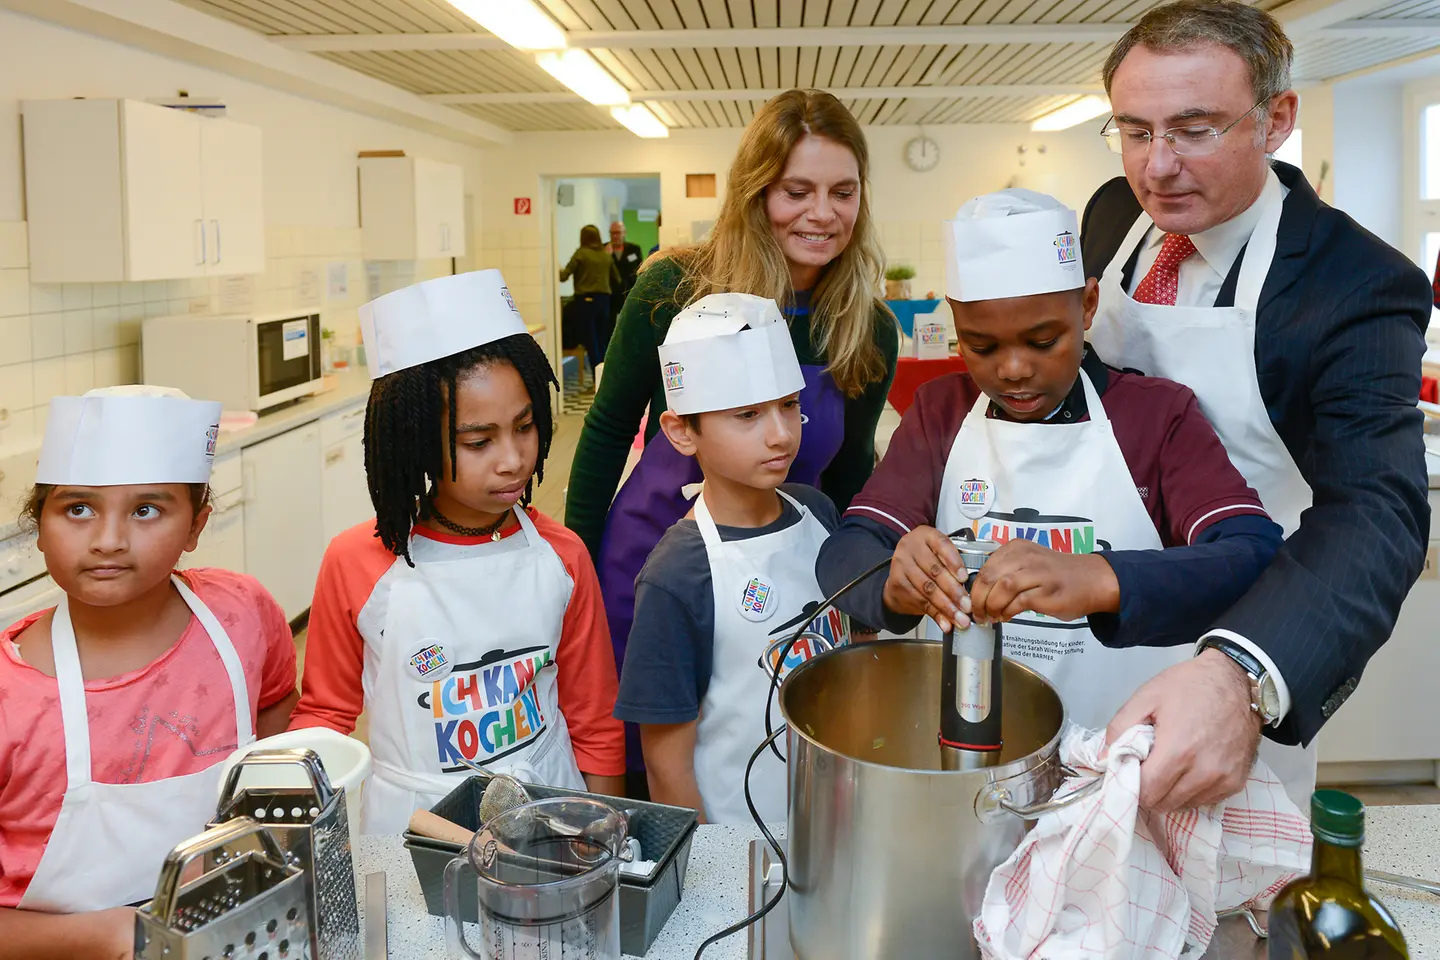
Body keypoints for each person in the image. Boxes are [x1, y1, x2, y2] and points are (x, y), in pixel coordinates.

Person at [1080, 0, 1431, 811]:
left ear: (1276, 120)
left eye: (1194, 129)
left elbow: (1377, 511)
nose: (1156, 167)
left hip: (1237, 647)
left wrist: (1239, 672)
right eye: (1135, 130)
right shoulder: (1112, 218)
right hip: (1087, 614)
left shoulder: (1353, 283)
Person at [817, 189, 1283, 744]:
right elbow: (848, 549)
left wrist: (1101, 578)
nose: (1013, 369)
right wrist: (894, 582)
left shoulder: (1156, 417)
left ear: (1087, 306)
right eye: (981, 346)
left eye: (1043, 341)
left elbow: (1251, 553)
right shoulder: (941, 413)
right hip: (969, 747)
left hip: (1122, 757)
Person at [564, 89, 899, 799]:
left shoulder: (863, 326)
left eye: (843, 191)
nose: (822, 213)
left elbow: (851, 473)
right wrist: (577, 580)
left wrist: (852, 588)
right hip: (652, 559)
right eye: (796, 191)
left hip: (784, 569)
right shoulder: (672, 287)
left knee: (763, 747)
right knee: (654, 763)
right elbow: (602, 431)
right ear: (756, 193)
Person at [290, 269, 624, 834]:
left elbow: (595, 721)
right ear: (416, 441)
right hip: (411, 830)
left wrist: (604, 833)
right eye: (478, 441)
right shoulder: (356, 562)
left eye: (525, 428)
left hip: (553, 817)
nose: (513, 459)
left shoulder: (561, 555)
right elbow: (325, 716)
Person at [0, 386, 298, 958]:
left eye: (146, 510)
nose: (108, 541)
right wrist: (112, 936)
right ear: (38, 526)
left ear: (196, 527)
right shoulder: (12, 692)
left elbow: (275, 731)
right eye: (78, 508)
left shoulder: (242, 615)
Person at [615, 293, 850, 824]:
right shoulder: (677, 574)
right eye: (747, 415)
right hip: (739, 849)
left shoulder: (817, 512)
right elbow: (665, 762)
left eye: (789, 405)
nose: (781, 434)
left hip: (833, 817)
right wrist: (709, 875)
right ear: (681, 431)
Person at [560, 224, 623, 368]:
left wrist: (554, 267)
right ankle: (603, 376)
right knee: (602, 340)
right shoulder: (605, 256)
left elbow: (563, 276)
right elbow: (617, 279)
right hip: (604, 302)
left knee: (591, 341)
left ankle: (596, 378)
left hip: (586, 302)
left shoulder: (581, 253)